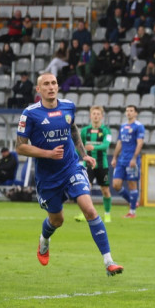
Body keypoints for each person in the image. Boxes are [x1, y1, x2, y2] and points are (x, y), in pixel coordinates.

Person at [15, 73, 123, 276]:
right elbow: (20, 147)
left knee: (89, 209)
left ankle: (109, 261)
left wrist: (84, 155)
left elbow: (73, 130)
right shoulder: (30, 114)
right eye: (46, 84)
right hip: (47, 177)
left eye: (54, 83)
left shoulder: (68, 106)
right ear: (38, 90)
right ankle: (44, 239)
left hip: (71, 167)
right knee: (57, 220)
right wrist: (48, 153)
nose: (51, 87)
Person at [74, 106, 115, 224]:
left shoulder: (106, 131)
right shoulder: (84, 130)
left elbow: (106, 145)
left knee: (105, 190)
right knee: (85, 189)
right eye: (94, 114)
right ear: (90, 116)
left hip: (102, 164)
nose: (96, 116)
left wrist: (94, 147)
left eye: (98, 114)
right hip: (88, 165)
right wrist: (78, 157)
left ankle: (107, 214)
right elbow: (78, 146)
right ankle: (84, 213)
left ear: (101, 116)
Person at [111, 105, 146, 218]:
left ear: (136, 113)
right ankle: (133, 202)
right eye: (127, 111)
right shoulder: (123, 126)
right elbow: (120, 142)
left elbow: (140, 143)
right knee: (116, 185)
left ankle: (132, 212)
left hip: (132, 160)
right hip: (122, 159)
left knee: (132, 184)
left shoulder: (139, 126)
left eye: (131, 111)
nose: (128, 113)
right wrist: (115, 157)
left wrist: (134, 158)